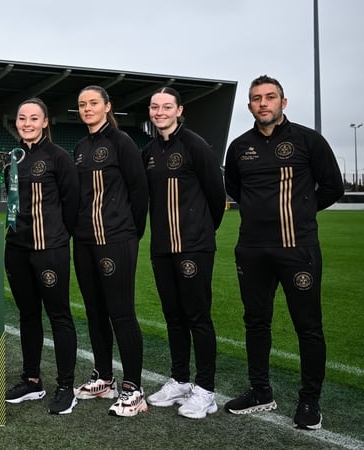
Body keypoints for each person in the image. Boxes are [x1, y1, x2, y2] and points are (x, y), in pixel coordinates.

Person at [223, 75, 344, 430]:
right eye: (257, 98)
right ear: (249, 106)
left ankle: (310, 401)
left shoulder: (308, 140)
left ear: (283, 102)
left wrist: (301, 213)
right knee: (256, 323)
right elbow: (235, 188)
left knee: (308, 327)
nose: (263, 103)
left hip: (297, 249)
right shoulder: (239, 147)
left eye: (270, 97)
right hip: (252, 251)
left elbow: (333, 186)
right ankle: (260, 391)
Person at [141, 87, 226, 419]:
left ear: (179, 110)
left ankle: (205, 390)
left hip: (193, 247)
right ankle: (179, 380)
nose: (160, 111)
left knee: (198, 317)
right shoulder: (147, 151)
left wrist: (201, 234)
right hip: (161, 248)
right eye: (154, 106)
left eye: (166, 106)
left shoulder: (195, 144)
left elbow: (216, 196)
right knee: (173, 318)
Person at [70, 86, 149, 417]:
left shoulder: (121, 142)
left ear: (107, 106)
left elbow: (139, 189)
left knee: (121, 312)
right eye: (82, 105)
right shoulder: (79, 147)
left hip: (115, 240)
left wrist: (130, 233)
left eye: (93, 103)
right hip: (84, 241)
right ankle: (104, 378)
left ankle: (134, 388)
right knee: (94, 311)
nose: (87, 108)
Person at [3, 98, 79, 415]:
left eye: (34, 118)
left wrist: (57, 238)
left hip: (50, 249)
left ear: (45, 122)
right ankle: (32, 381)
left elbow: (72, 203)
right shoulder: (12, 158)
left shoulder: (59, 157)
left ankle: (66, 387)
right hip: (16, 249)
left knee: (59, 316)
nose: (28, 123)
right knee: (28, 315)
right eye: (22, 118)